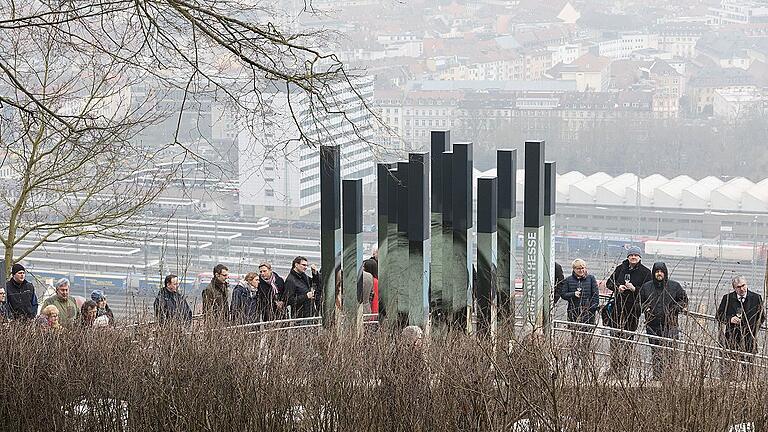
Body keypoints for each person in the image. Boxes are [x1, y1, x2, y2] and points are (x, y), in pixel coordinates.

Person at [604, 246, 652, 379]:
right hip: (617, 309)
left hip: (633, 311)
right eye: (631, 255)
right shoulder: (621, 268)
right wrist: (617, 287)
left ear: (640, 257)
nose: (633, 257)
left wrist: (635, 289)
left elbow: (648, 292)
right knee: (614, 340)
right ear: (628, 257)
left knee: (628, 341)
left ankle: (624, 369)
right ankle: (613, 368)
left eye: (636, 255)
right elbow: (609, 283)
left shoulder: (645, 272)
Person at [639, 262, 688, 381]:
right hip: (652, 325)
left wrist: (675, 308)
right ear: (653, 273)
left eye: (661, 271)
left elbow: (684, 300)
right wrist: (646, 308)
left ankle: (670, 377)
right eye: (657, 271)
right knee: (656, 352)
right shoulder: (646, 287)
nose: (659, 273)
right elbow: (639, 303)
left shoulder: (674, 286)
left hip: (671, 325)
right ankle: (657, 377)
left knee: (670, 352)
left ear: (665, 273)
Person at [716, 276, 765, 378]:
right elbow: (719, 315)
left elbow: (762, 317)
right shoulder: (727, 298)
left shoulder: (756, 298)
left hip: (749, 339)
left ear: (746, 284)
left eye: (743, 285)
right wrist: (729, 319)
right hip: (732, 338)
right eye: (739, 287)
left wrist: (753, 329)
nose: (742, 289)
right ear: (734, 288)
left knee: (747, 370)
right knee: (729, 368)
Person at [559, 259, 599, 369]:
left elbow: (595, 296)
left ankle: (585, 363)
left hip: (588, 314)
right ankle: (575, 363)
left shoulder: (591, 279)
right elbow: (563, 294)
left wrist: (591, 308)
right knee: (575, 339)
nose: (581, 270)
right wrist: (573, 294)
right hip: (573, 313)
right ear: (574, 269)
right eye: (578, 268)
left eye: (582, 268)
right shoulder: (568, 280)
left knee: (586, 340)